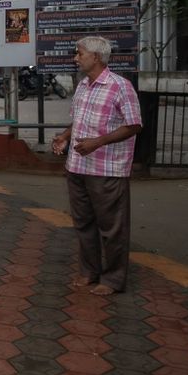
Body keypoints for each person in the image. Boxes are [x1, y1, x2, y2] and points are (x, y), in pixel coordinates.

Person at [52, 36, 142, 296]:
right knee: (83, 224)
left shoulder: (120, 87)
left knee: (112, 227)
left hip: (107, 169)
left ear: (97, 57)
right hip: (77, 166)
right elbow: (78, 120)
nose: (75, 58)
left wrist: (98, 142)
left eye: (79, 54)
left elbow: (134, 124)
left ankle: (113, 279)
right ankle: (89, 271)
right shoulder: (83, 86)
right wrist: (65, 136)